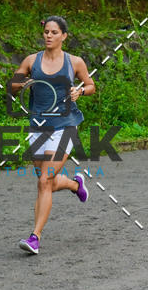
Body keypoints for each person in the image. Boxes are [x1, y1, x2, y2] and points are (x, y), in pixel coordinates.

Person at [8, 15, 96, 255]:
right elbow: (12, 86)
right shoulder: (31, 61)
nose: (49, 35)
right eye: (46, 31)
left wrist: (80, 91)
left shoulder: (74, 62)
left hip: (65, 126)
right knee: (47, 181)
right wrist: (23, 83)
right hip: (38, 127)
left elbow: (90, 85)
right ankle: (75, 184)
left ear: (64, 36)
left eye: (54, 32)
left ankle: (34, 238)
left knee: (44, 181)